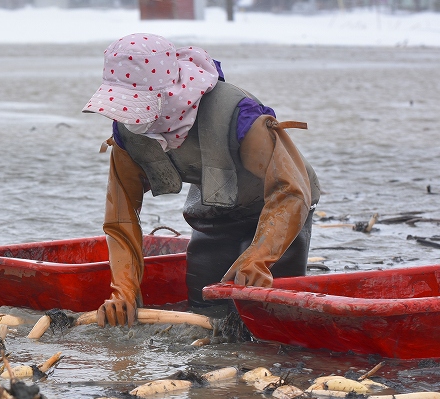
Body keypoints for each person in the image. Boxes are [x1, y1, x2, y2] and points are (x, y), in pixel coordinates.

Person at [82, 33, 320, 327]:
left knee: (271, 317)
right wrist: (124, 292)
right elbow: (121, 220)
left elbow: (290, 190)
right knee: (206, 313)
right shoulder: (128, 134)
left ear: (169, 92)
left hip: (280, 211)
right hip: (215, 215)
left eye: (135, 103)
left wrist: (259, 257)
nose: (129, 116)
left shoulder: (236, 113)